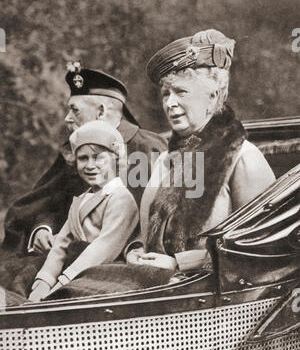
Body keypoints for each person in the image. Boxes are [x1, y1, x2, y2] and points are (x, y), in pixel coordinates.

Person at [126, 29, 276, 273]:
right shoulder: (166, 160)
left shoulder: (243, 158)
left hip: (213, 300)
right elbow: (146, 232)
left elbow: (263, 247)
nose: (170, 103)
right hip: (156, 286)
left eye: (181, 92)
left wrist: (180, 264)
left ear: (213, 96)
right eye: (166, 94)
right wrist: (135, 250)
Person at [1, 63, 167, 260]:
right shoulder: (75, 151)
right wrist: (42, 229)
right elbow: (50, 203)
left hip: (132, 260)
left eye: (75, 110)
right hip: (66, 256)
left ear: (101, 112)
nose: (67, 118)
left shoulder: (153, 149)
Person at [29, 120, 139, 302]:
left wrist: (61, 283)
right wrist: (43, 283)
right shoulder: (81, 199)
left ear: (115, 158)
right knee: (24, 280)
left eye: (98, 158)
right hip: (76, 268)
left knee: (68, 297)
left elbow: (103, 248)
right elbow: (61, 245)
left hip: (102, 270)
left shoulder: (121, 198)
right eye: (83, 158)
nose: (90, 165)